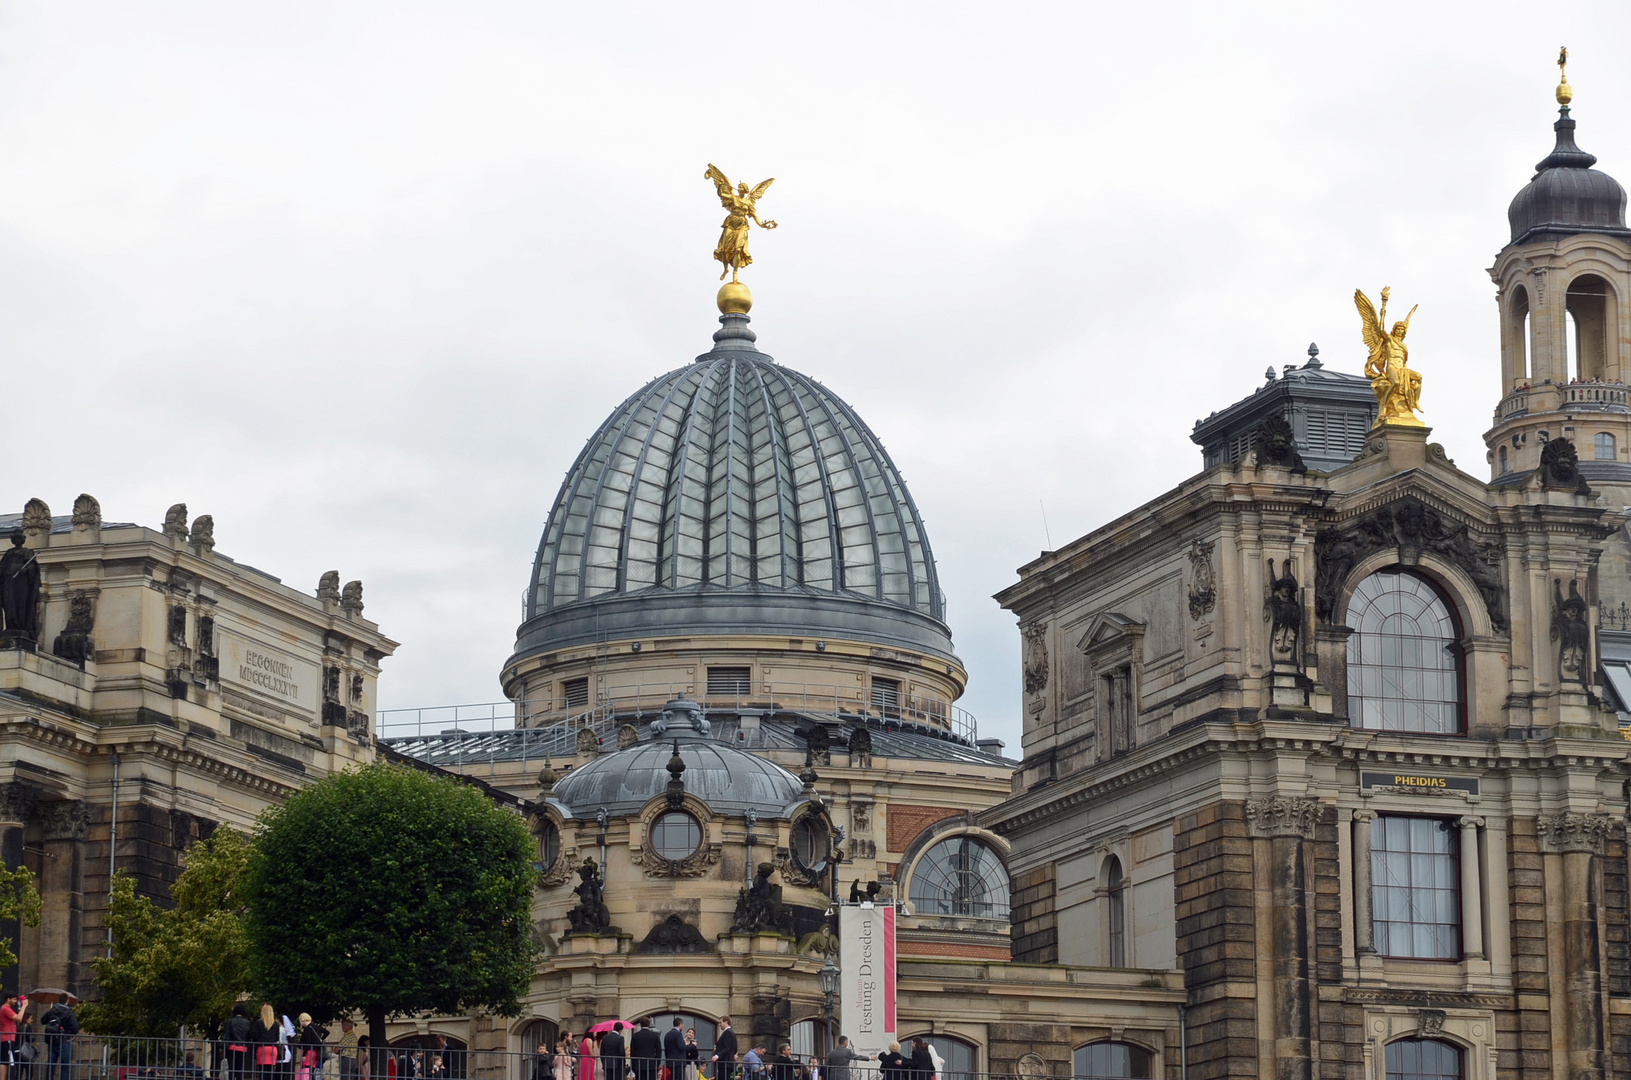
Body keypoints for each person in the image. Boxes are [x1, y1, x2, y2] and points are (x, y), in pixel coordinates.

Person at [222, 1004, 255, 1080]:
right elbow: (249, 1036)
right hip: (243, 1048)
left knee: (231, 1070)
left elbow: (227, 1035)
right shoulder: (247, 1022)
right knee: (239, 1069)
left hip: (231, 1048)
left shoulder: (230, 1021)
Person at [253, 1005, 281, 1080]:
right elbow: (277, 1038)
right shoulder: (275, 1024)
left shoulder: (259, 1022)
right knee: (271, 1070)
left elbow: (256, 1036)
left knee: (262, 1071)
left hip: (262, 1048)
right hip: (273, 1048)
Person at [0, 993, 24, 1080]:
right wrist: (24, 1006)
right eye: (14, 999)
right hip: (7, 1038)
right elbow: (18, 1018)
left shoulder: (7, 1009)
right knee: (5, 1061)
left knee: (7, 1061)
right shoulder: (5, 1008)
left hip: (10, 1038)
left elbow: (19, 1019)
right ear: (8, 999)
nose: (15, 1001)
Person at [296, 1015, 325, 1080]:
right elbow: (327, 1032)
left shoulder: (307, 1029)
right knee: (312, 1071)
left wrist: (304, 1055)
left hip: (308, 1052)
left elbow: (307, 1043)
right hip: (315, 1052)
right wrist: (321, 1039)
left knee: (306, 1071)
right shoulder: (316, 1027)